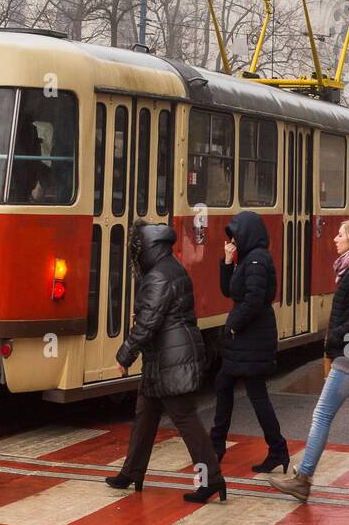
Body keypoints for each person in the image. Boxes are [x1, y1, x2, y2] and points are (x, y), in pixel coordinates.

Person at [269, 219, 349, 506]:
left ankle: (303, 479)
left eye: (340, 235)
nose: (334, 238)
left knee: (322, 415)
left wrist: (335, 340)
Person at [105, 220, 227, 504]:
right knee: (144, 416)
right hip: (165, 358)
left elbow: (148, 322)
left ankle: (212, 480)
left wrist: (125, 355)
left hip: (170, 359)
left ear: (148, 248)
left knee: (185, 419)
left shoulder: (158, 276)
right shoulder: (172, 267)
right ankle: (132, 472)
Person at [209, 211, 289, 473]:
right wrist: (227, 261)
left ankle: (276, 449)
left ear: (247, 233)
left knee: (255, 394)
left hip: (251, 336)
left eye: (235, 235)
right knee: (227, 385)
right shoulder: (247, 259)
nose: (232, 240)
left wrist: (233, 325)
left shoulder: (257, 260)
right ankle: (217, 445)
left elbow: (254, 300)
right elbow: (227, 291)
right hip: (245, 337)